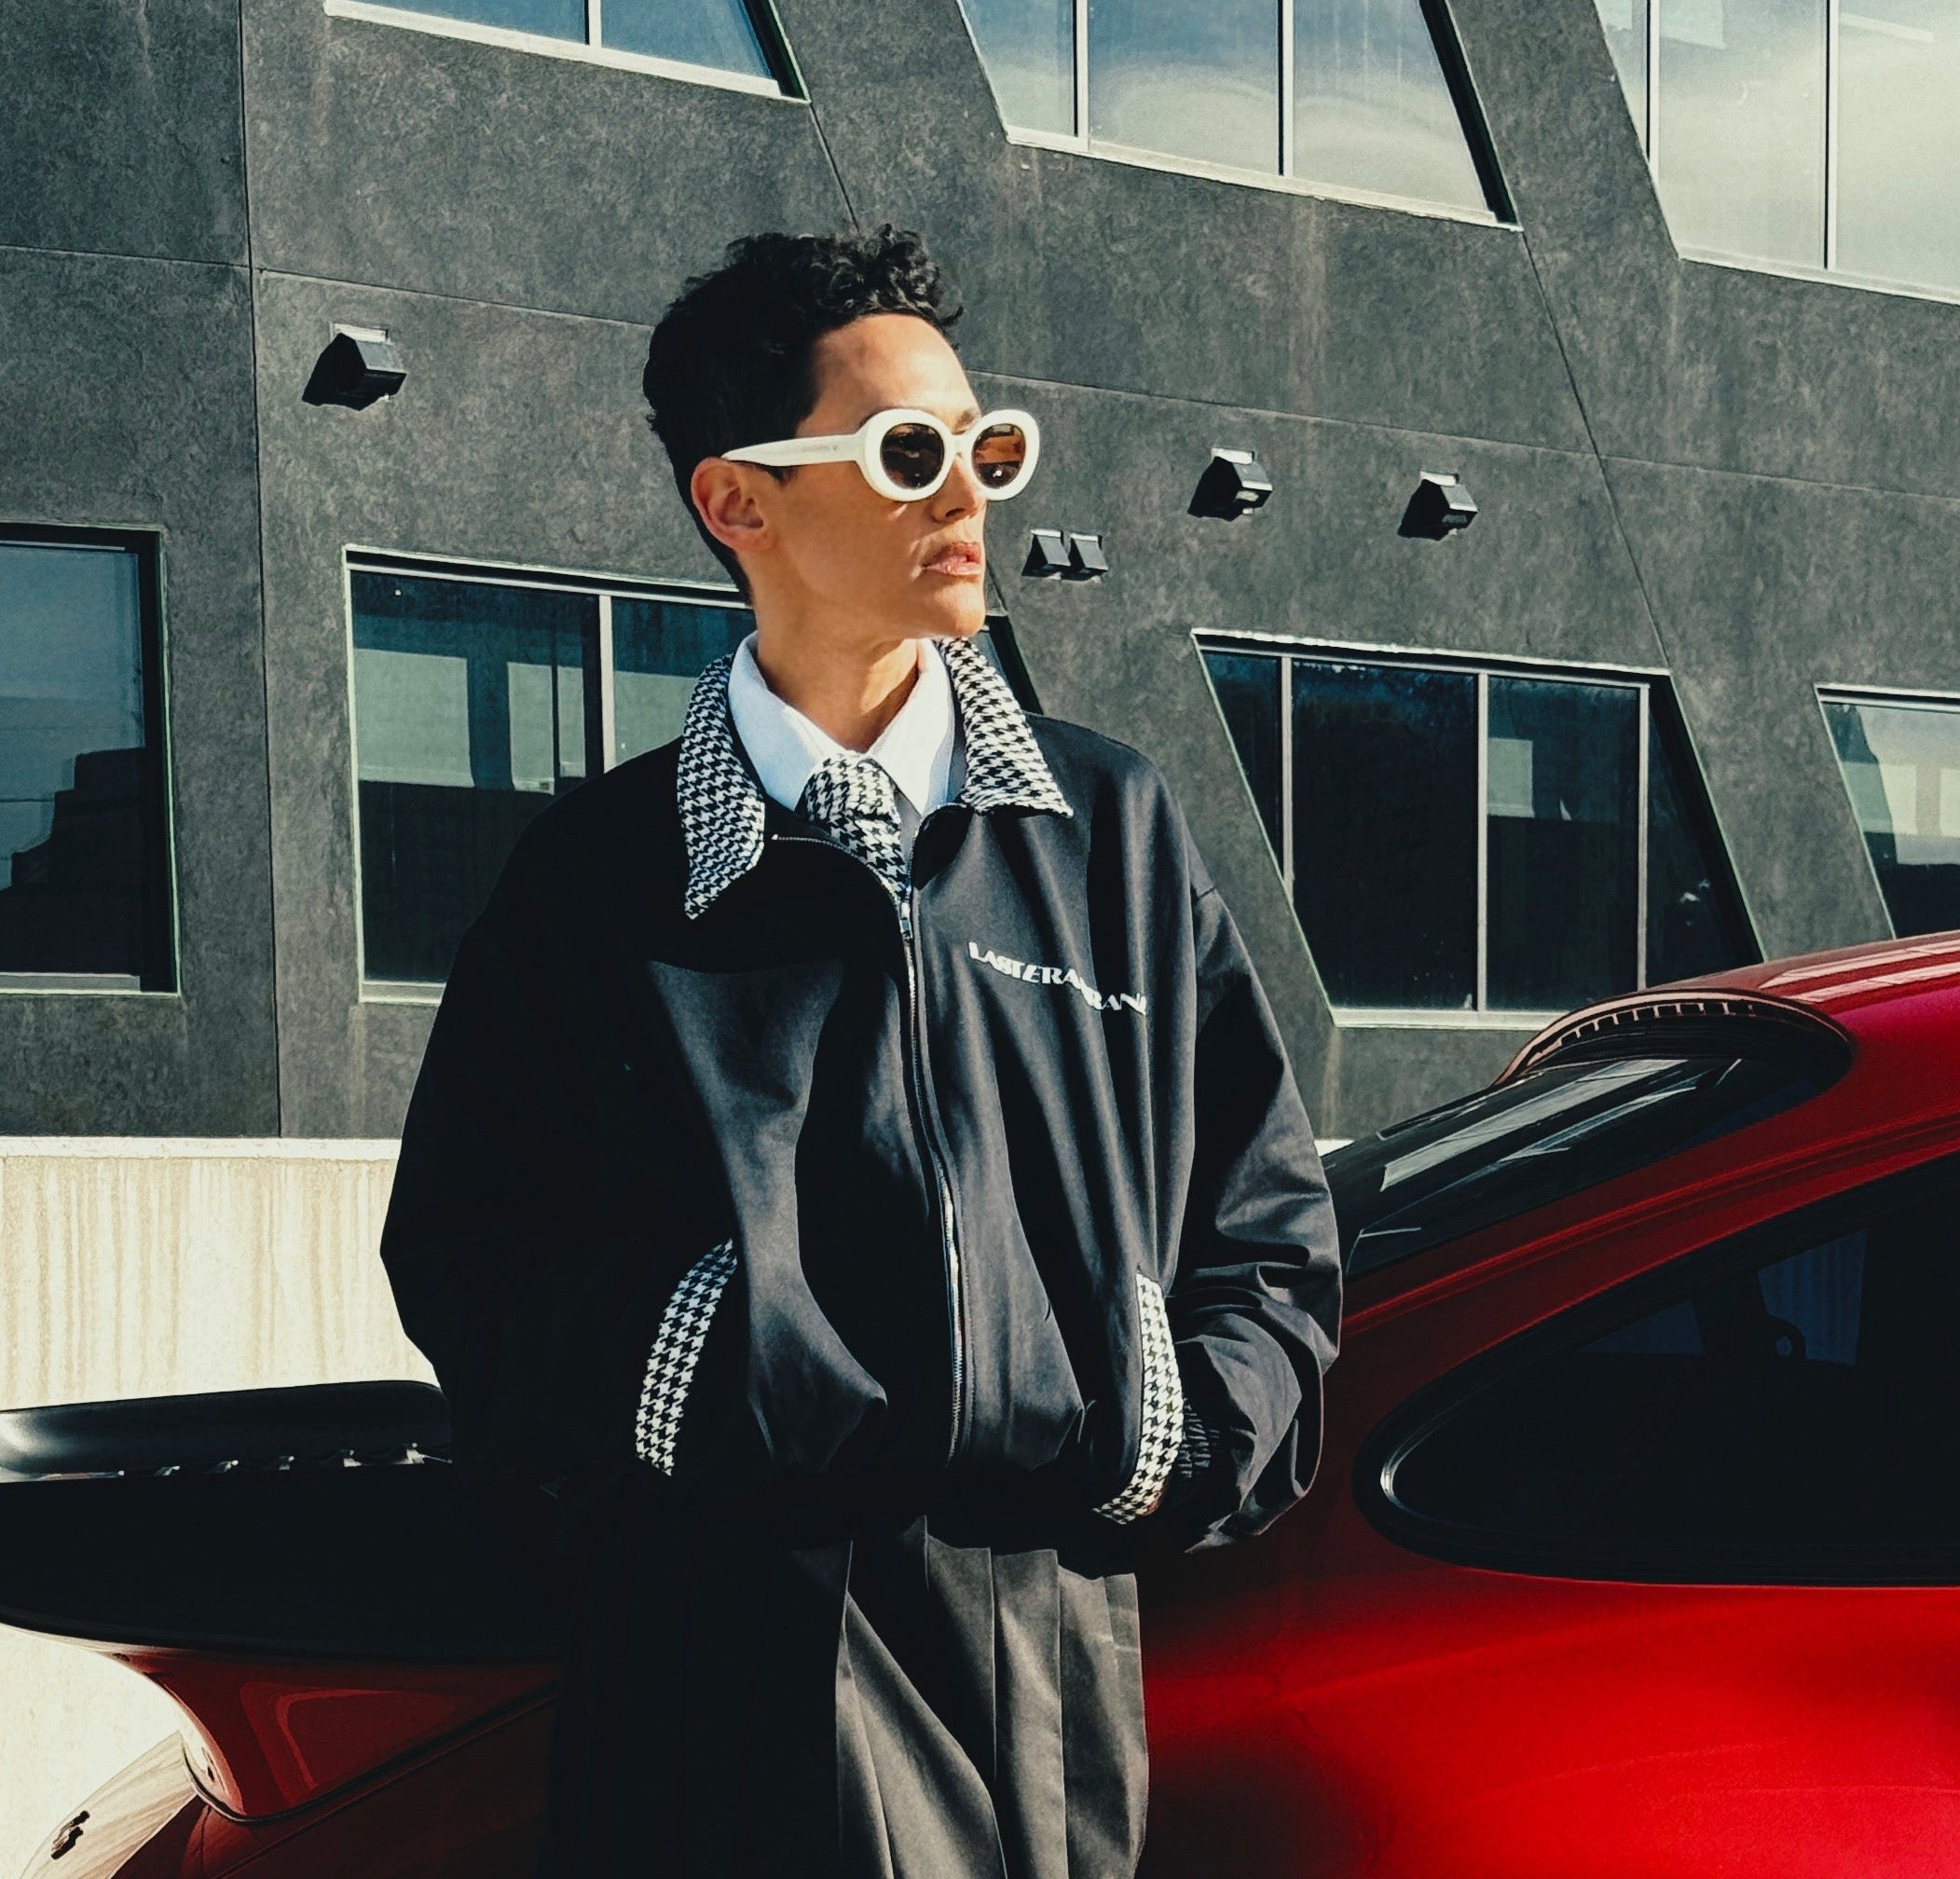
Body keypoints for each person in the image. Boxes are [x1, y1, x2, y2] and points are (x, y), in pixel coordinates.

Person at [378, 224, 1340, 1879]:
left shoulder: (1109, 834)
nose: (967, 493)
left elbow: (1268, 1241)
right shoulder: (602, 880)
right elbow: (466, 1262)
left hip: (1048, 1663)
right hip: (712, 1665)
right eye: (909, 453)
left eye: (989, 446)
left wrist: (1161, 1434)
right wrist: (715, 1372)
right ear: (736, 500)